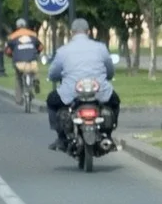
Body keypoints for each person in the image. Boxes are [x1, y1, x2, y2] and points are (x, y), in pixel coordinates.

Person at [46, 18, 120, 152]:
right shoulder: (101, 48)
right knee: (114, 102)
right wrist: (107, 77)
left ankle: (61, 137)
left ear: (71, 32)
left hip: (71, 92)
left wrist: (57, 77)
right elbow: (109, 69)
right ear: (88, 32)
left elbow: (53, 73)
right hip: (99, 91)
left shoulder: (63, 51)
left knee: (51, 101)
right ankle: (109, 135)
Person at [5, 18, 44, 104]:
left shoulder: (13, 36)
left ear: (17, 26)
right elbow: (41, 47)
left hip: (19, 62)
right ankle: (35, 80)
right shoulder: (33, 34)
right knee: (34, 71)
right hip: (32, 61)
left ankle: (18, 99)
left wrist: (11, 55)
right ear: (25, 26)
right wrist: (36, 52)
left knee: (18, 78)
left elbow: (8, 51)